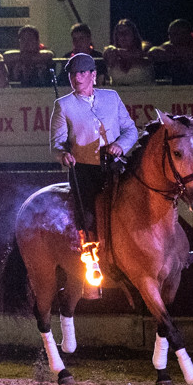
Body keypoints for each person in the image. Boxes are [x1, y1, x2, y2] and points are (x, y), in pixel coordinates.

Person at [49, 52, 138, 269]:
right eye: (72, 74)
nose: (76, 77)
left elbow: (131, 130)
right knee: (86, 214)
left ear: (93, 75)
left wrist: (121, 145)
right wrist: (64, 155)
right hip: (83, 170)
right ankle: (90, 257)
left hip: (114, 165)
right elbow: (57, 143)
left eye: (81, 73)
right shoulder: (64, 105)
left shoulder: (111, 97)